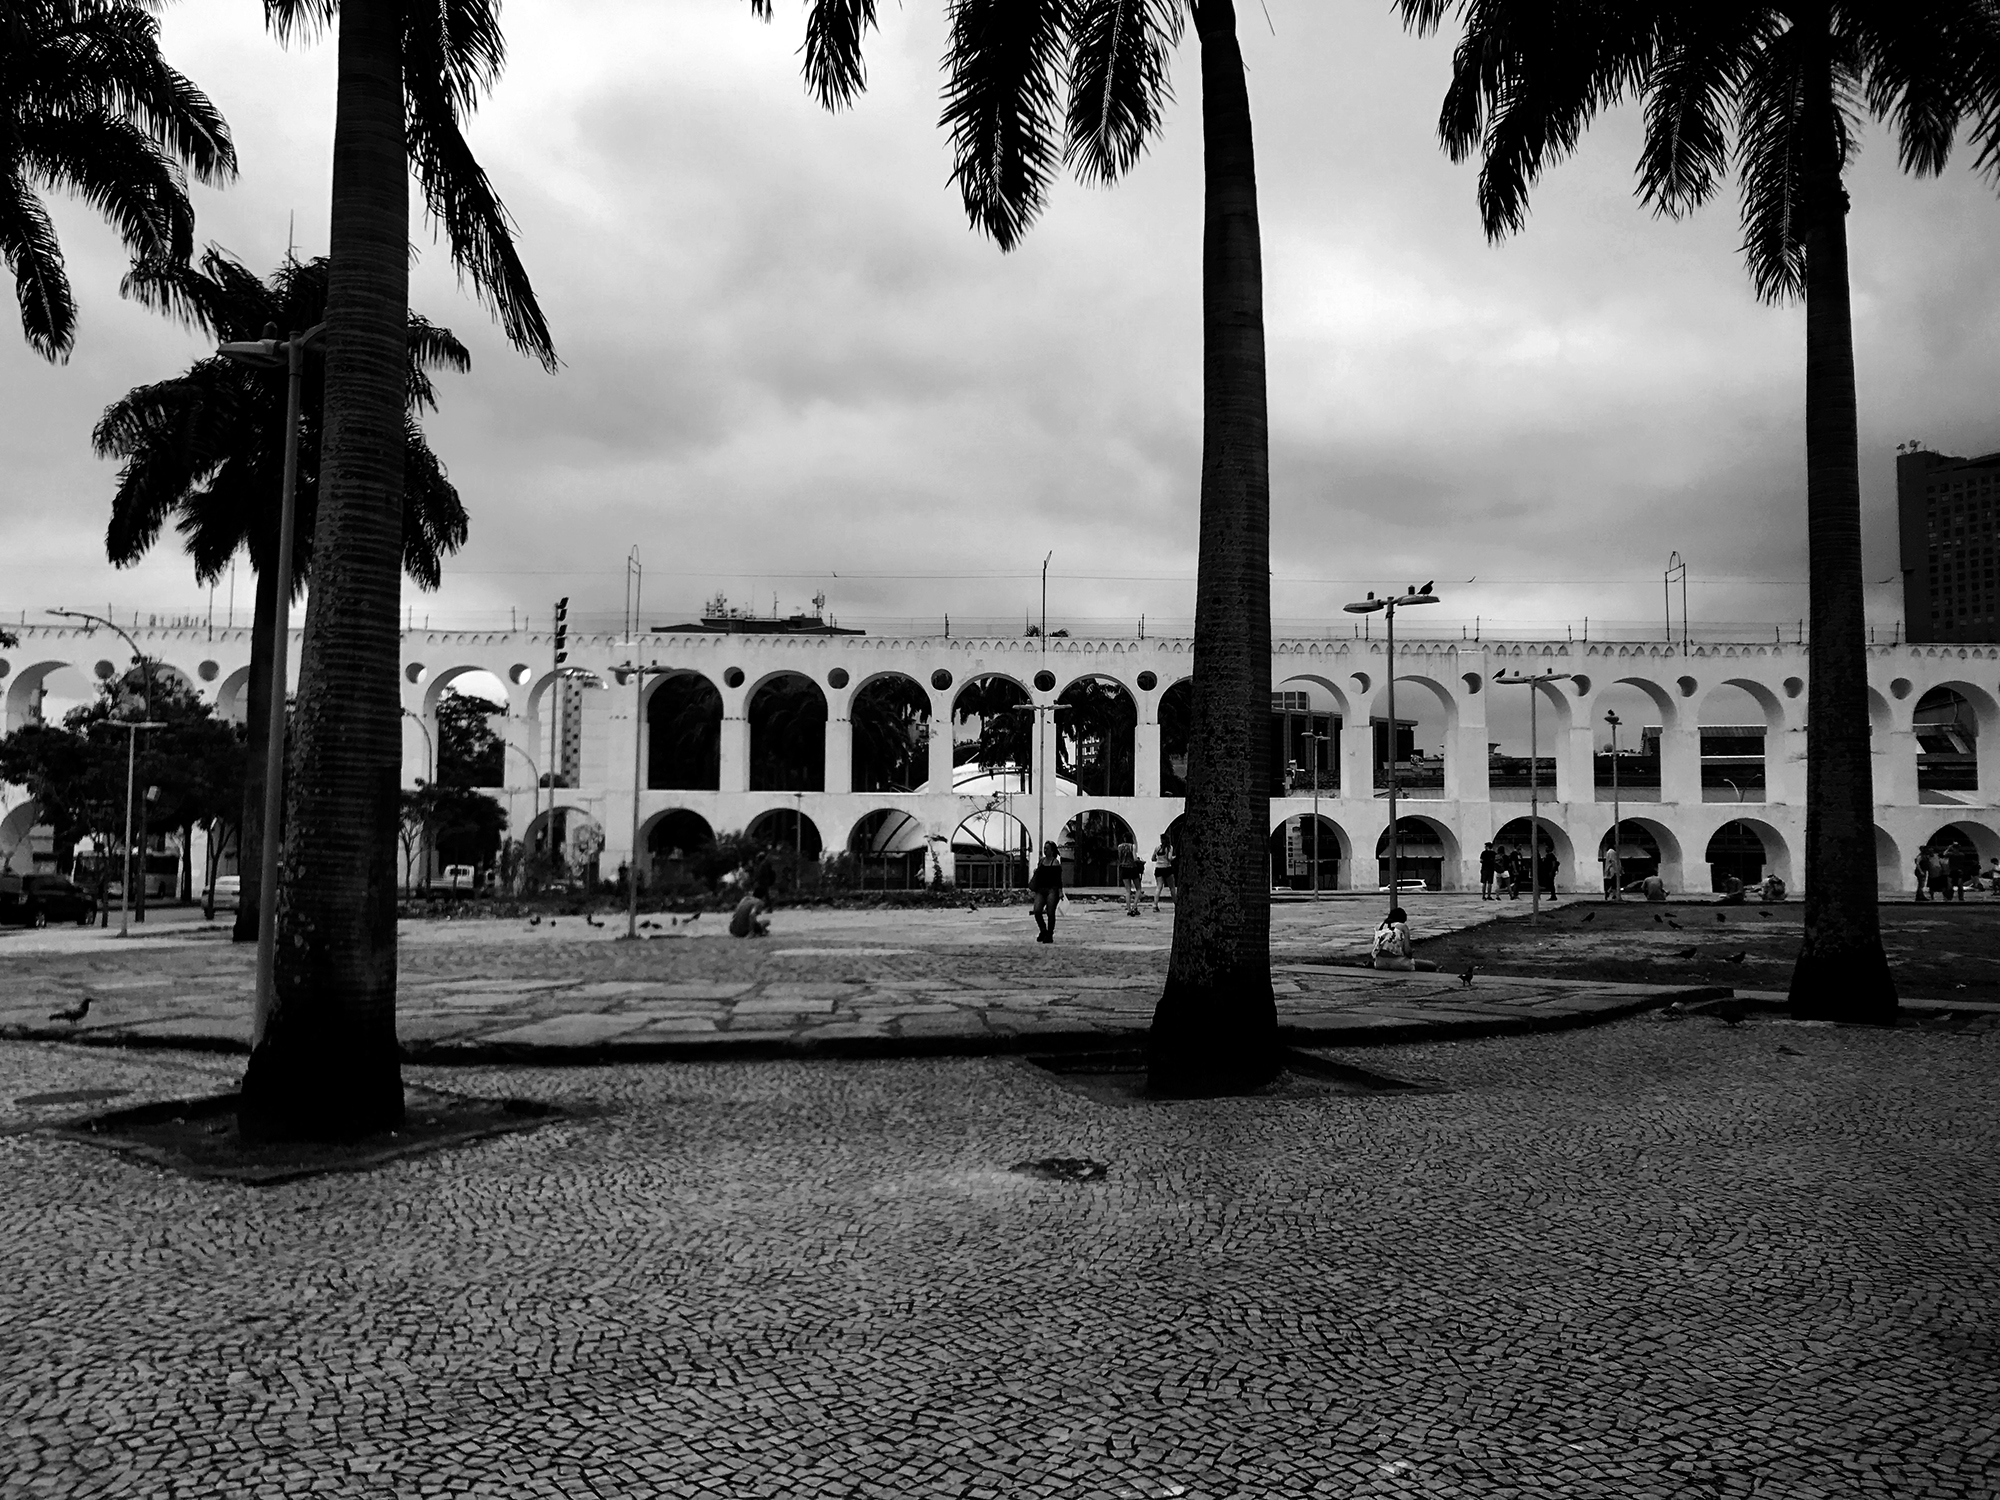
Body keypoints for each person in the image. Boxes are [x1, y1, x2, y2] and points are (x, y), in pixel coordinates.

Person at [1370, 907, 1437, 972]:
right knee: (1431, 965)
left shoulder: (1378, 927)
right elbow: (1408, 952)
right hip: (1400, 963)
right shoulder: (1402, 927)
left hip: (1379, 963)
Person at [1030, 841, 1063, 944]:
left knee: (1050, 912)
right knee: (1037, 910)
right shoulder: (1041, 861)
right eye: (1044, 848)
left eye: (1047, 849)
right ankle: (1043, 930)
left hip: (1052, 889)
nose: (1045, 850)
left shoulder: (1055, 863)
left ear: (1052, 850)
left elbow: (1058, 879)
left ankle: (1049, 934)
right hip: (1041, 889)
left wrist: (1060, 891)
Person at [1116, 836, 1141, 916]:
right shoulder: (1132, 846)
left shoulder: (1119, 847)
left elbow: (1119, 857)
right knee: (1138, 888)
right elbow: (1135, 858)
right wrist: (1139, 860)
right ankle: (1135, 906)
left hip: (1124, 868)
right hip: (1132, 868)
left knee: (1127, 890)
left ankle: (1129, 909)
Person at [1150, 838, 1174, 912]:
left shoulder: (1157, 848)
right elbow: (1169, 858)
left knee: (1159, 887)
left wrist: (1159, 859)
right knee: (1172, 887)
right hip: (1167, 868)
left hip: (1158, 868)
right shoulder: (1169, 847)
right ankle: (1176, 903)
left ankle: (1155, 905)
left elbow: (1153, 858)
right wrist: (1174, 858)